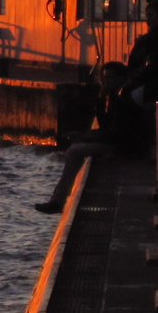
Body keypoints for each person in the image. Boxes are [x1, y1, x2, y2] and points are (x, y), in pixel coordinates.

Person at [37, 62, 142, 214]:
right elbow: (105, 124)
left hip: (124, 145)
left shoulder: (124, 98)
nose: (107, 82)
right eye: (104, 79)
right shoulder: (115, 96)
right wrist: (101, 99)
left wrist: (84, 136)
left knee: (75, 151)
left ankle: (58, 201)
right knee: (77, 148)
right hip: (119, 141)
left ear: (122, 78)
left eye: (110, 78)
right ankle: (58, 199)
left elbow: (114, 133)